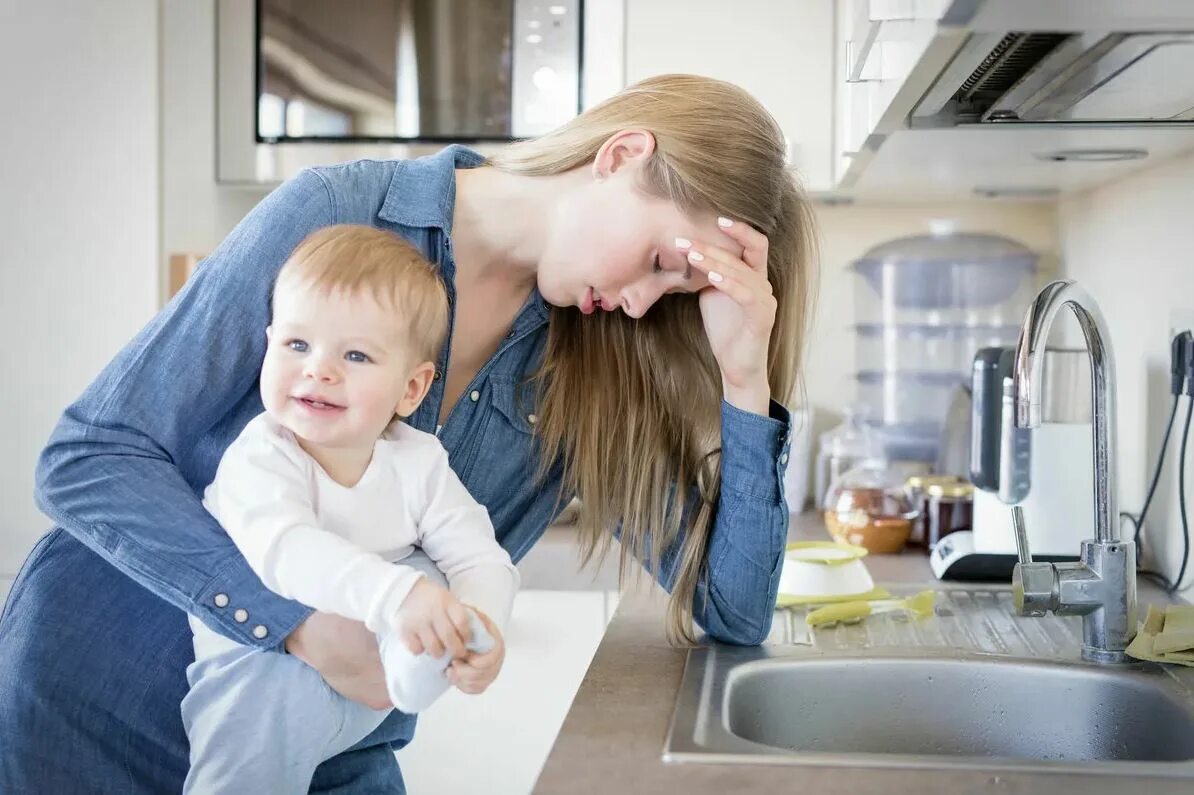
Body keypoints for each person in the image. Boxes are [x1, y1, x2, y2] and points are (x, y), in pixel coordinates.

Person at [0, 73, 818, 793]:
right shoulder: (338, 213)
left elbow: (732, 612)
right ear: (620, 155)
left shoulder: (597, 362)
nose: (644, 302)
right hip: (97, 703)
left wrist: (746, 379)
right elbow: (89, 459)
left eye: (673, 292)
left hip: (331, 752)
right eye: (657, 261)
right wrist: (296, 626)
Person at [182, 224, 519, 793]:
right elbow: (285, 552)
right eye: (296, 345)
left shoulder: (418, 462)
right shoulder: (262, 456)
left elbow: (481, 556)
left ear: (411, 389)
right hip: (263, 674)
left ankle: (419, 661)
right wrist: (398, 598)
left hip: (368, 681)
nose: (319, 369)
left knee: (431, 571)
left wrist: (481, 625)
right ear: (269, 345)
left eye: (356, 354)